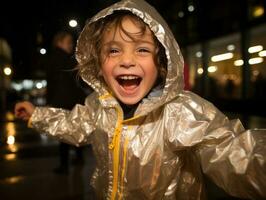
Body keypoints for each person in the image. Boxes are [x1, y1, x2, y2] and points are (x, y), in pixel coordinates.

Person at [15, 0, 266, 199]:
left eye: (142, 49)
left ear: (161, 61)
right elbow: (75, 124)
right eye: (114, 50)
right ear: (98, 63)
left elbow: (232, 152)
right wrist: (37, 115)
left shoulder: (180, 112)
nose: (127, 60)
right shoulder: (98, 104)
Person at [46, 31, 86, 174]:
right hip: (69, 100)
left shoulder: (57, 58)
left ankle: (65, 164)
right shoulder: (64, 59)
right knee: (72, 129)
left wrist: (50, 100)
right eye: (68, 42)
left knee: (65, 132)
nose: (71, 45)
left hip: (64, 100)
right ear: (59, 42)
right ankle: (75, 160)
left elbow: (52, 83)